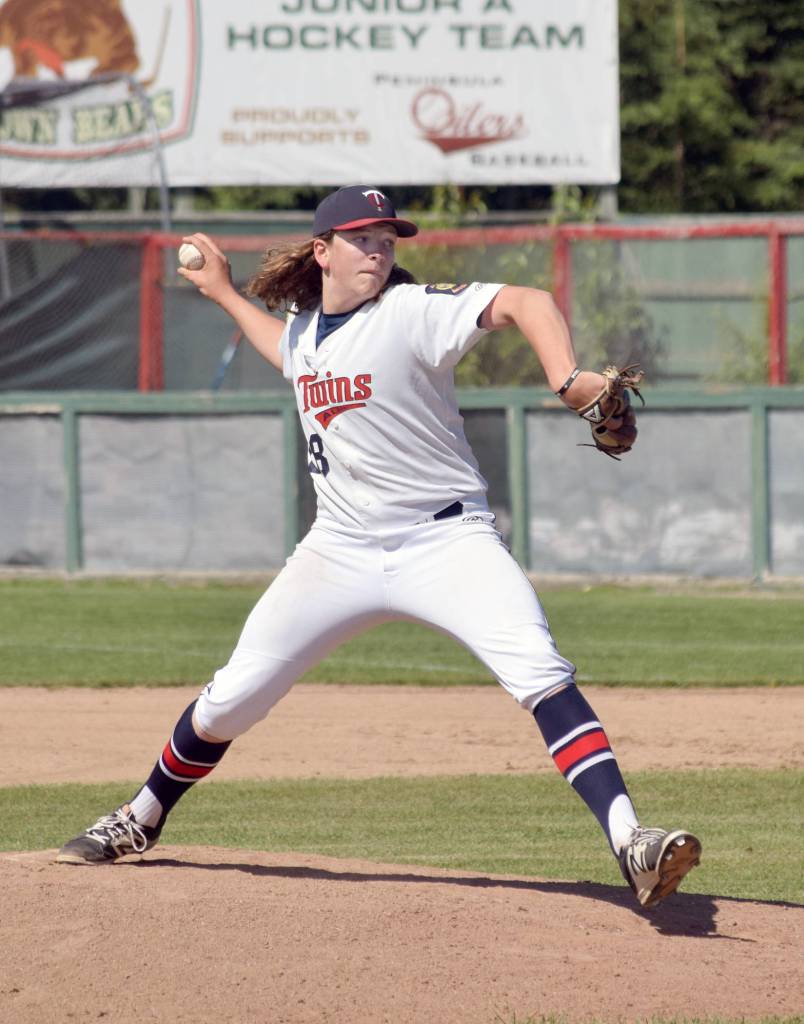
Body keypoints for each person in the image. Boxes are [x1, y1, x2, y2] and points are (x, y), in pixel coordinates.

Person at [57, 185, 701, 908]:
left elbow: (526, 301)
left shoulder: (413, 310)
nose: (380, 250)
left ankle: (631, 842)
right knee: (229, 700)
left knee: (540, 671)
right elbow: (289, 356)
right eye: (364, 238)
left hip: (446, 540)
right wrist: (223, 293)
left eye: (387, 239)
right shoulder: (306, 331)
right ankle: (142, 818)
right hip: (338, 550)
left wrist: (566, 376)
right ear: (324, 251)